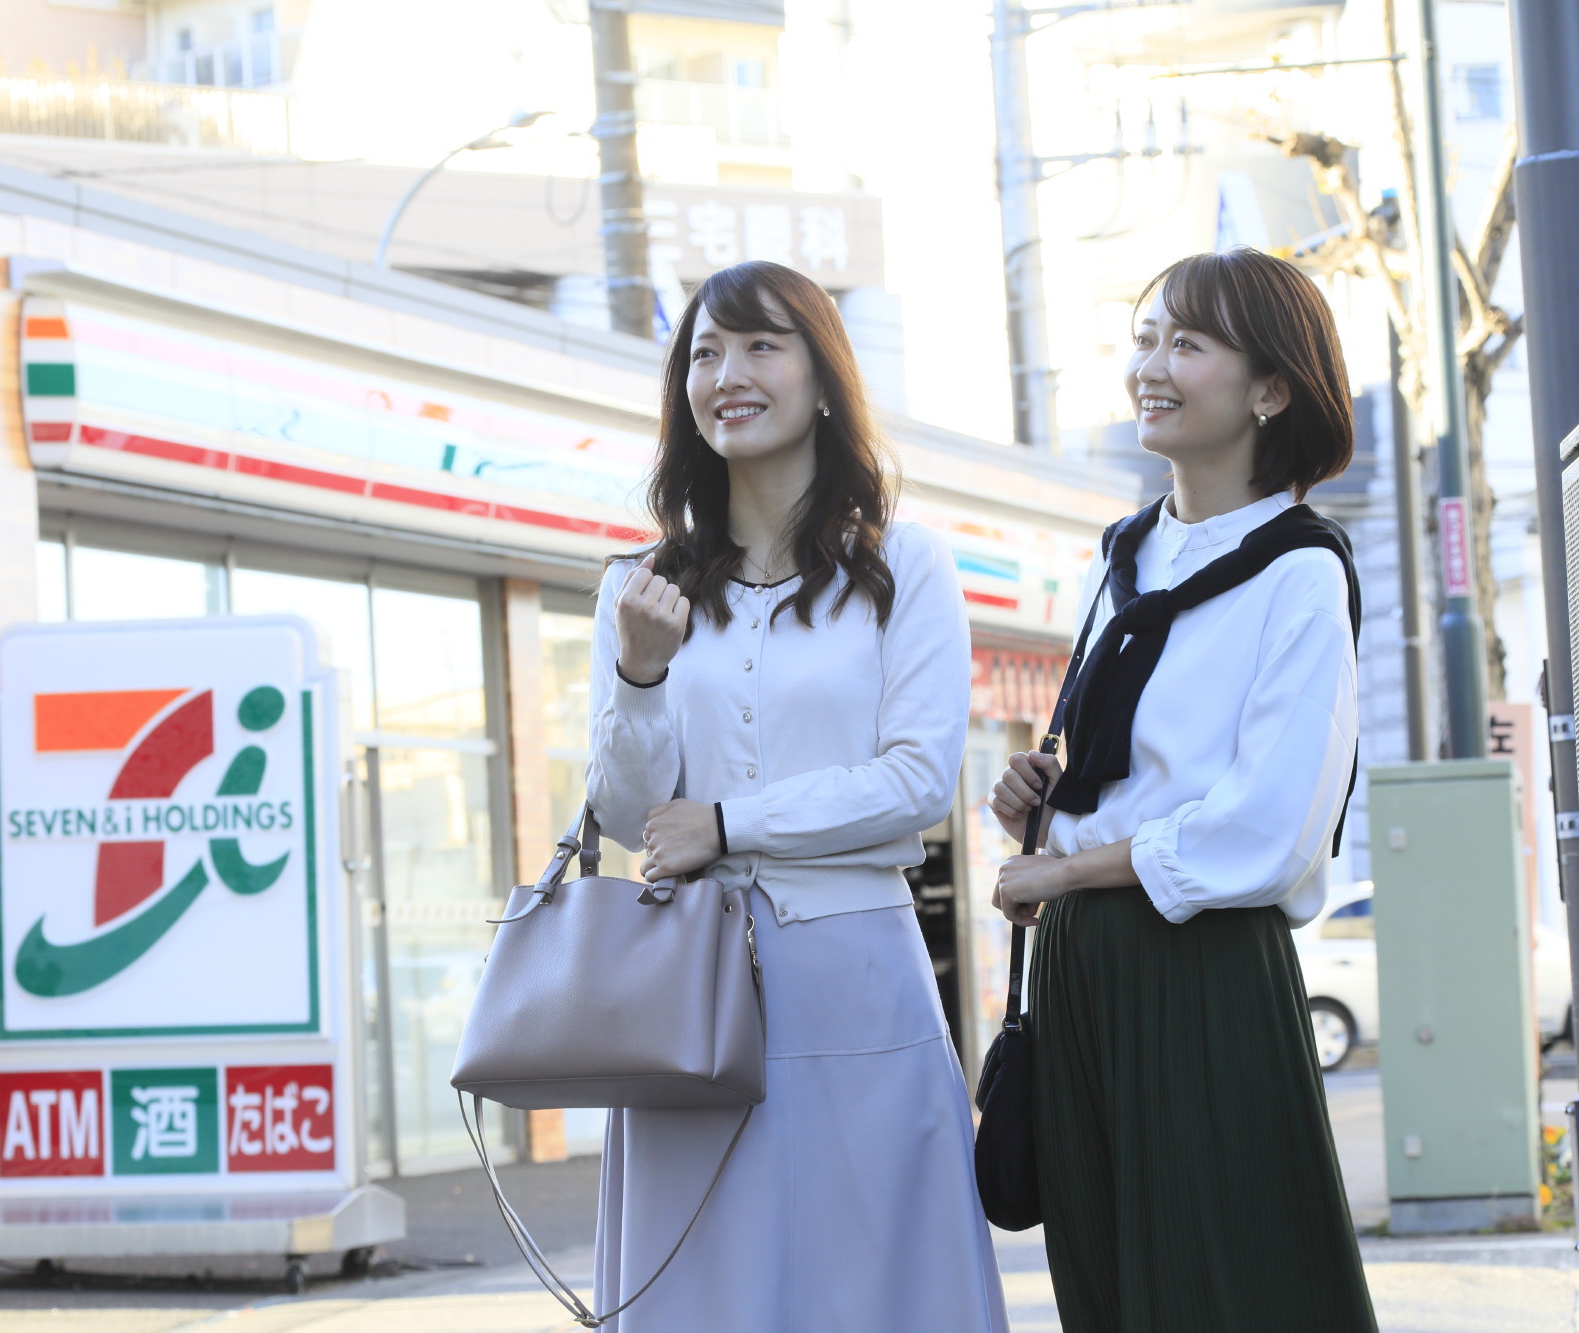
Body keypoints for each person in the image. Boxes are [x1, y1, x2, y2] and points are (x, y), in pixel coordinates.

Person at [587, 260, 1008, 1332]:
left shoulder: (903, 565)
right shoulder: (638, 589)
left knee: (877, 1288)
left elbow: (914, 780)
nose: (727, 373)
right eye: (703, 354)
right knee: (699, 1291)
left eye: (760, 345)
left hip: (856, 976)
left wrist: (731, 823)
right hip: (686, 993)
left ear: (823, 378)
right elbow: (632, 816)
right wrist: (638, 674)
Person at [988, 247, 1376, 1333]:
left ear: (1268, 389)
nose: (1149, 366)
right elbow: (1130, 766)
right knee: (1107, 1289)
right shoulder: (1120, 559)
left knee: (1228, 1278)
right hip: (1076, 965)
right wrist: (1041, 795)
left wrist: (1067, 862)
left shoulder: (1298, 571)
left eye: (1186, 343)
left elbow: (1268, 826)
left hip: (1199, 964)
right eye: (1144, 337)